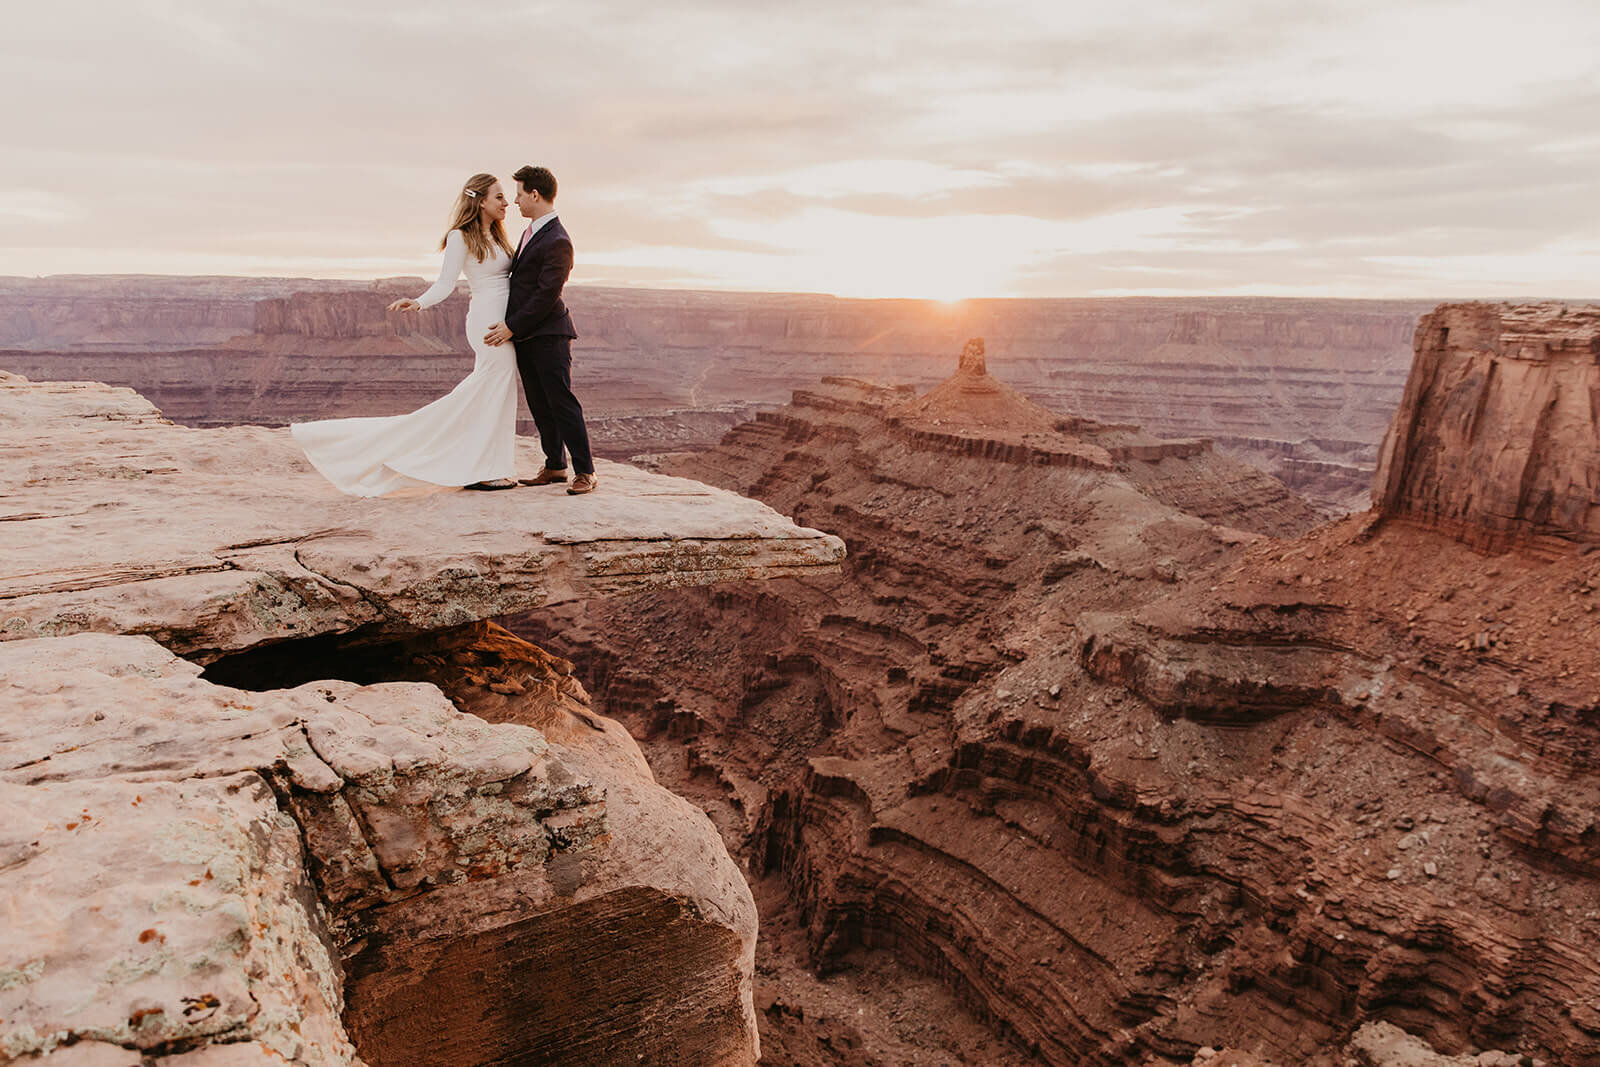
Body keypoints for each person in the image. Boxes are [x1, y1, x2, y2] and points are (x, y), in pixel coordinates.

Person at [291, 172, 522, 495]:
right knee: (493, 387)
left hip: (504, 321)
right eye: (499, 197)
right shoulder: (460, 237)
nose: (506, 202)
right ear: (480, 200)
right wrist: (418, 302)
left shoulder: (499, 236)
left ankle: (488, 465)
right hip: (486, 323)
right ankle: (479, 467)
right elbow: (445, 283)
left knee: (493, 389)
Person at [484, 164, 596, 495]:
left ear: (535, 194)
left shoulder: (558, 239)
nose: (514, 201)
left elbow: (547, 294)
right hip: (528, 335)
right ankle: (555, 466)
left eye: (519, 194)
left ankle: (585, 471)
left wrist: (510, 326)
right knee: (539, 402)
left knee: (561, 401)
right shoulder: (532, 231)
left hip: (549, 335)